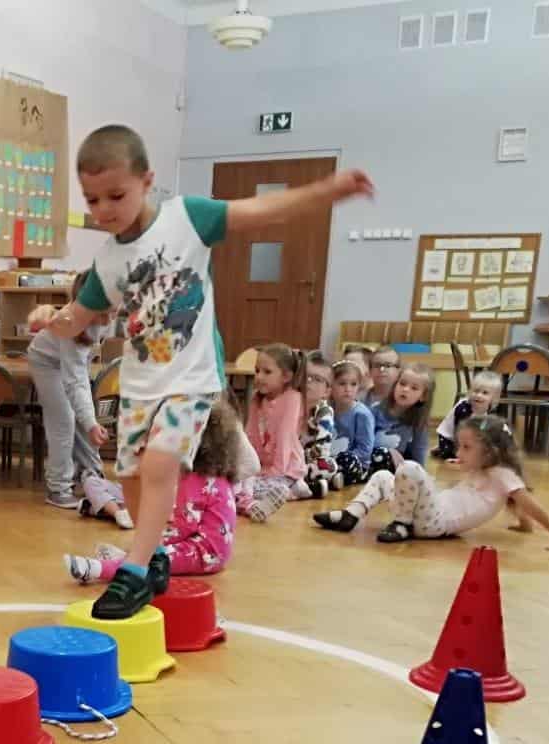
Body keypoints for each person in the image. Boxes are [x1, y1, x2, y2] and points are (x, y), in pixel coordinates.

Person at [28, 124, 374, 617]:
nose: (103, 210)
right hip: (141, 384)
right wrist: (50, 317)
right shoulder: (108, 261)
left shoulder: (187, 218)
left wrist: (327, 190)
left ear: (147, 181)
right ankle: (156, 554)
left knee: (160, 463)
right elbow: (77, 318)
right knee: (129, 475)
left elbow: (262, 211)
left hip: (191, 379)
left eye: (116, 195)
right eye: (92, 199)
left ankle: (135, 572)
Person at [313, 414, 549, 552]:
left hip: (434, 524)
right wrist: (523, 526)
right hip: (426, 515)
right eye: (459, 445)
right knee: (384, 476)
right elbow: (519, 506)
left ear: (490, 452)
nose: (459, 452)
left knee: (409, 468)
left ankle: (402, 524)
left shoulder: (503, 475)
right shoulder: (484, 470)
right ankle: (351, 514)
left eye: (467, 447)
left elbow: (529, 503)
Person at [64, 394, 247, 584]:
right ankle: (121, 559)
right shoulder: (212, 474)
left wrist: (151, 543)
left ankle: (98, 569)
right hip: (212, 551)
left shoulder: (195, 479)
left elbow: (184, 527)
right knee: (146, 553)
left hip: (204, 554)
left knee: (148, 559)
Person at [29, 273, 109, 508]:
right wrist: (91, 423)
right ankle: (58, 488)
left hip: (73, 364)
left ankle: (91, 474)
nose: (108, 318)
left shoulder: (107, 313)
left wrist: (90, 422)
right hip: (46, 363)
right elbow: (75, 382)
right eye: (103, 313)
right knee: (63, 420)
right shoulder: (70, 325)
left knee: (84, 420)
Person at [235, 344, 306, 522]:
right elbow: (250, 433)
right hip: (261, 469)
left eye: (267, 372)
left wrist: (276, 471)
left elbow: (285, 437)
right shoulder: (256, 399)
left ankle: (287, 490)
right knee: (235, 483)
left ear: (286, 376)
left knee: (243, 489)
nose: (259, 377)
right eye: (257, 371)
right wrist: (247, 465)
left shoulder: (293, 398)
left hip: (285, 469)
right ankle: (292, 490)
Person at [370, 363, 433, 473]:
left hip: (397, 472)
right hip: (371, 463)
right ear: (395, 385)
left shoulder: (419, 422)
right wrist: (388, 451)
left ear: (423, 396)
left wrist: (419, 475)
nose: (405, 389)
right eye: (402, 384)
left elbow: (419, 453)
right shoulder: (375, 411)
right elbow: (364, 442)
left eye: (414, 388)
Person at [436, 369, 504, 462]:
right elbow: (459, 433)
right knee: (452, 454)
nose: (479, 395)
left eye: (485, 393)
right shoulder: (464, 408)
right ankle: (441, 450)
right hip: (449, 438)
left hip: (469, 437)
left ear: (493, 397)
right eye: (476, 391)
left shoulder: (488, 409)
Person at [328, 358, 376, 486]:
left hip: (355, 463)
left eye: (353, 384)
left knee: (347, 461)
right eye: (342, 383)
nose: (348, 389)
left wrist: (337, 460)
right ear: (331, 386)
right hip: (330, 459)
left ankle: (336, 478)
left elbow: (365, 450)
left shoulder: (362, 414)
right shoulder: (327, 409)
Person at [299, 350, 336, 498]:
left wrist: (301, 457)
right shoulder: (291, 404)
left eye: (317, 379)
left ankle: (313, 484)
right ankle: (312, 485)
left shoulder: (324, 412)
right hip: (288, 460)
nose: (309, 382)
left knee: (328, 466)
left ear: (326, 391)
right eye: (306, 377)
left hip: (311, 459)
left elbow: (321, 449)